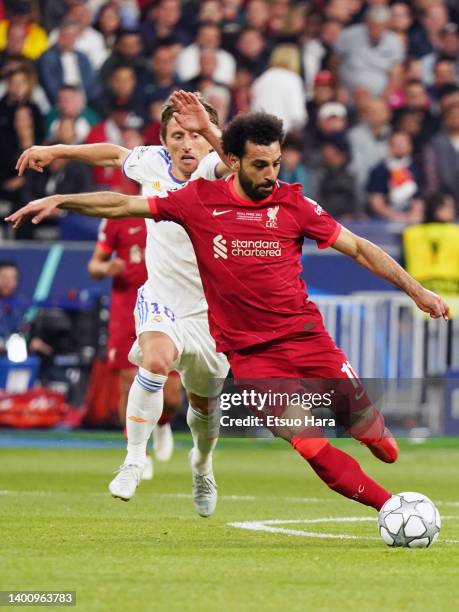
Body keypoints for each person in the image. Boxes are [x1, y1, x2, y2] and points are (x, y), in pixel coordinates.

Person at [9, 101, 449, 514]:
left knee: (380, 443)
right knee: (306, 440)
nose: (271, 175)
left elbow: (359, 247)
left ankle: (205, 464)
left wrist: (418, 291)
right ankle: (390, 507)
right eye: (261, 165)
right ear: (237, 162)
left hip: (304, 338)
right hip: (247, 351)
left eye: (276, 165)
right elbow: (123, 201)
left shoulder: (291, 202)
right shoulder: (197, 201)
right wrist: (61, 199)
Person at [14, 93, 230, 518]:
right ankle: (134, 459)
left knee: (204, 409)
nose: (187, 145)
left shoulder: (218, 167)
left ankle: (202, 465)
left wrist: (210, 132)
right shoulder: (153, 163)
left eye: (195, 136)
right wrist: (55, 150)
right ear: (164, 141)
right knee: (154, 361)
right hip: (162, 295)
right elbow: (115, 156)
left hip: (211, 309)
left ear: (209, 137)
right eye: (177, 136)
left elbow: (238, 160)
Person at [88, 217, 180, 476]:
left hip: (164, 306)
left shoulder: (174, 207)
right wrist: (106, 269)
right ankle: (139, 452)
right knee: (128, 383)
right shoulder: (117, 216)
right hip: (126, 308)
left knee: (171, 395)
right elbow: (94, 264)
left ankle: (162, 422)